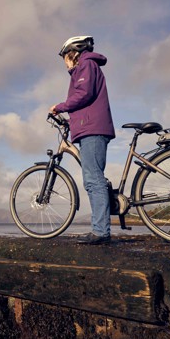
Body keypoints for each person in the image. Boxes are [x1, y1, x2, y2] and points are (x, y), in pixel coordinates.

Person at [49, 36, 115, 245]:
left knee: (93, 179)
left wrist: (59, 107)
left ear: (72, 54)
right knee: (94, 179)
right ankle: (100, 228)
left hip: (92, 129)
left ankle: (100, 232)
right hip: (90, 127)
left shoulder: (85, 65)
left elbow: (83, 94)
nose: (65, 64)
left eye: (65, 59)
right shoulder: (87, 67)